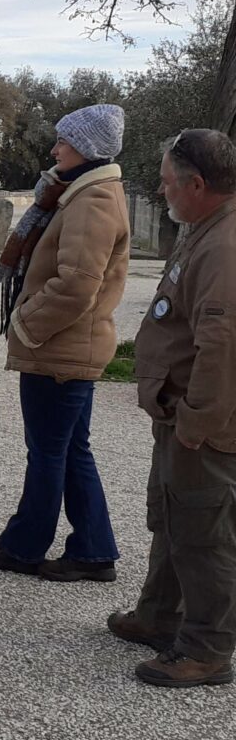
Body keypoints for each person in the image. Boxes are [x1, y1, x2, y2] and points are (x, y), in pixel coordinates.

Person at [0, 104, 130, 583]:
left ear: (86, 148)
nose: (55, 148)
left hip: (61, 349)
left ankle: (23, 547)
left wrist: (25, 322)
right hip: (70, 348)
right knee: (69, 448)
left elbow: (79, 283)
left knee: (48, 452)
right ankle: (94, 550)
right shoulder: (82, 191)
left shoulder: (92, 199)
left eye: (63, 140)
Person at [108, 129, 236, 688]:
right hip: (177, 412)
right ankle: (159, 614)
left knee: (204, 532)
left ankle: (207, 648)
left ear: (197, 184)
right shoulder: (207, 230)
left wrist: (198, 422)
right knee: (172, 517)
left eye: (166, 184)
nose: (162, 194)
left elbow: (223, 342)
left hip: (201, 424)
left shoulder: (225, 246)